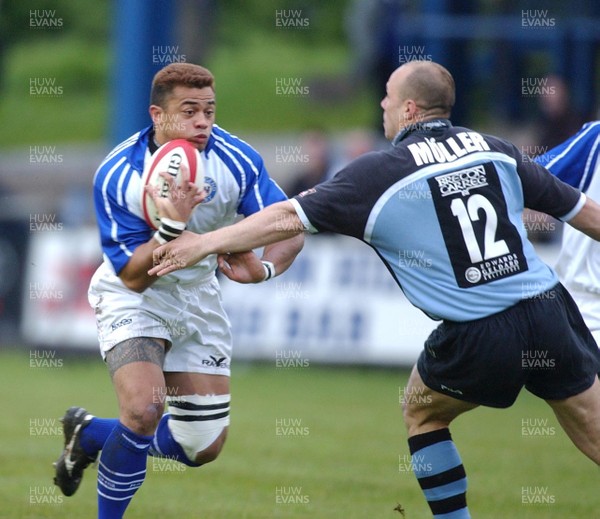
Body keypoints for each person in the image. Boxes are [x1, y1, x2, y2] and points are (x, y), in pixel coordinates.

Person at [149, 61, 600, 518]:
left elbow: (287, 217)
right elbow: (584, 212)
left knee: (423, 413)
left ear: (408, 108)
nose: (381, 104)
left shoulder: (378, 173)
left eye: (387, 95)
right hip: (549, 310)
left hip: (480, 328)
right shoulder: (495, 149)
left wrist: (202, 244)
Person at [52, 63, 303, 519]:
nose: (202, 122)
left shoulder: (236, 159)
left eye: (209, 110)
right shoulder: (117, 174)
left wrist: (264, 269)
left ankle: (89, 435)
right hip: (135, 296)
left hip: (198, 297)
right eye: (189, 111)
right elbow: (131, 275)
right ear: (157, 114)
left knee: (201, 445)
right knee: (145, 410)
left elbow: (290, 224)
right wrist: (171, 226)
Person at [535, 121, 600, 344]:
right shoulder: (596, 140)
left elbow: (527, 179)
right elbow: (531, 179)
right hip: (587, 314)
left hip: (581, 311)